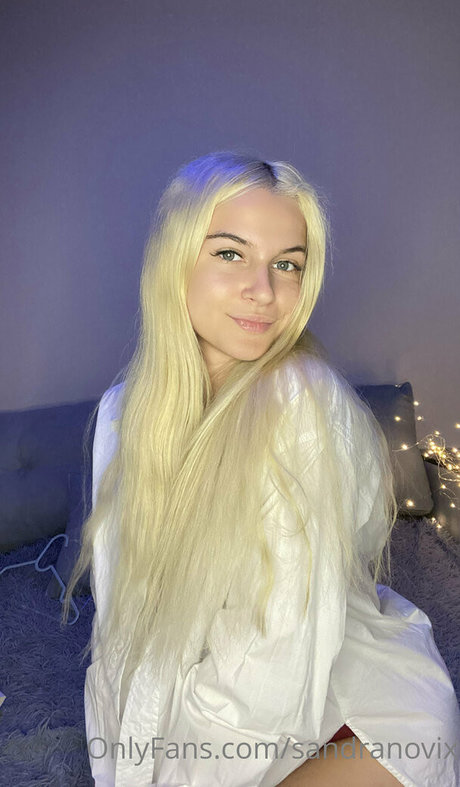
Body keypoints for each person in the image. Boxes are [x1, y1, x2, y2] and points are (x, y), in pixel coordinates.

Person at [64, 151, 460, 787]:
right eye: (230, 253)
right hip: (209, 689)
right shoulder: (121, 412)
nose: (265, 291)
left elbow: (279, 658)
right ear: (174, 259)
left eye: (287, 265)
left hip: (337, 707)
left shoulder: (302, 403)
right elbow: (123, 619)